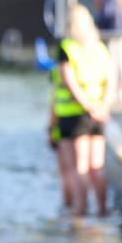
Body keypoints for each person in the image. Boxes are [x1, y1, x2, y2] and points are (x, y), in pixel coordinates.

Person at [56, 4, 114, 216]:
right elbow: (111, 79)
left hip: (75, 114)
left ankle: (80, 210)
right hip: (99, 113)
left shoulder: (67, 47)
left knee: (79, 166)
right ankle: (103, 209)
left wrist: (88, 108)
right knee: (97, 166)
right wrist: (103, 107)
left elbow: (69, 82)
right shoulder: (99, 47)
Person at [48, 62, 74, 209]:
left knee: (68, 171)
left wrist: (50, 129)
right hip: (94, 117)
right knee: (88, 169)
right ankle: (98, 212)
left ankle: (71, 210)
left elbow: (54, 101)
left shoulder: (58, 69)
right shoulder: (98, 54)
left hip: (65, 120)